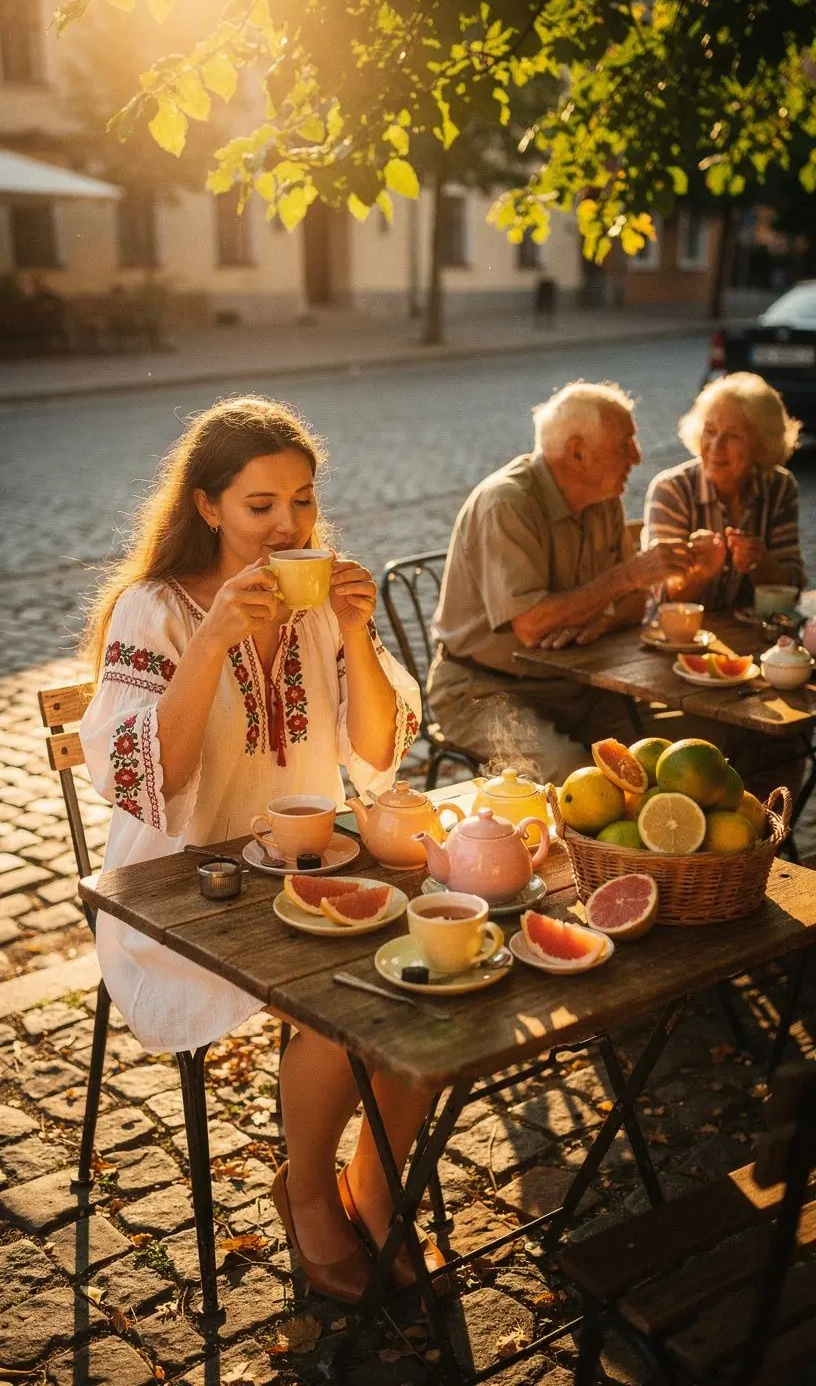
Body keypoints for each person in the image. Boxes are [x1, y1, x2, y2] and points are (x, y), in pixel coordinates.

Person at [79, 395, 434, 1305]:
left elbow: (375, 749)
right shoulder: (151, 611)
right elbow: (148, 784)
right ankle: (307, 1191)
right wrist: (209, 641)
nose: (288, 525)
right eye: (260, 505)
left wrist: (354, 632)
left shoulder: (318, 600)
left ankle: (381, 1191)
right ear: (206, 505)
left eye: (303, 502)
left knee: (427, 972)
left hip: (310, 867)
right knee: (341, 1001)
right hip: (183, 892)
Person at [427, 381, 692, 782]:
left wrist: (599, 619)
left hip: (578, 685)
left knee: (682, 758)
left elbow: (634, 604)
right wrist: (628, 576)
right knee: (578, 778)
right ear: (577, 453)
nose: (637, 457)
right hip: (482, 693)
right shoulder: (506, 502)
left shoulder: (604, 497)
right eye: (625, 445)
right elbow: (533, 626)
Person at [643, 372, 805, 611]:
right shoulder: (672, 490)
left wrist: (761, 564)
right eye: (709, 431)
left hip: (752, 639)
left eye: (733, 436)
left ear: (761, 446)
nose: (715, 446)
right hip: (679, 639)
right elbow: (661, 596)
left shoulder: (778, 487)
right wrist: (700, 572)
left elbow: (794, 587)